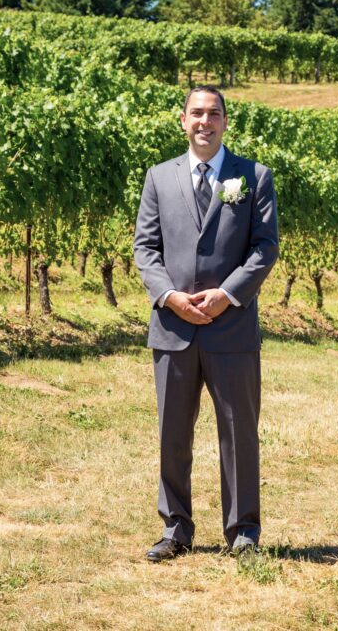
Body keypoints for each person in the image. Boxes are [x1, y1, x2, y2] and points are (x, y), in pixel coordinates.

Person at [133, 86, 279, 561]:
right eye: (196, 113)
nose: (204, 121)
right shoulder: (158, 177)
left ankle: (243, 532)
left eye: (213, 113)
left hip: (231, 330)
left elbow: (264, 247)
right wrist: (171, 297)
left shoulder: (253, 176)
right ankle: (176, 529)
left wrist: (227, 295)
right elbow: (145, 249)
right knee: (172, 433)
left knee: (238, 432)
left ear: (225, 122)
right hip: (173, 329)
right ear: (183, 120)